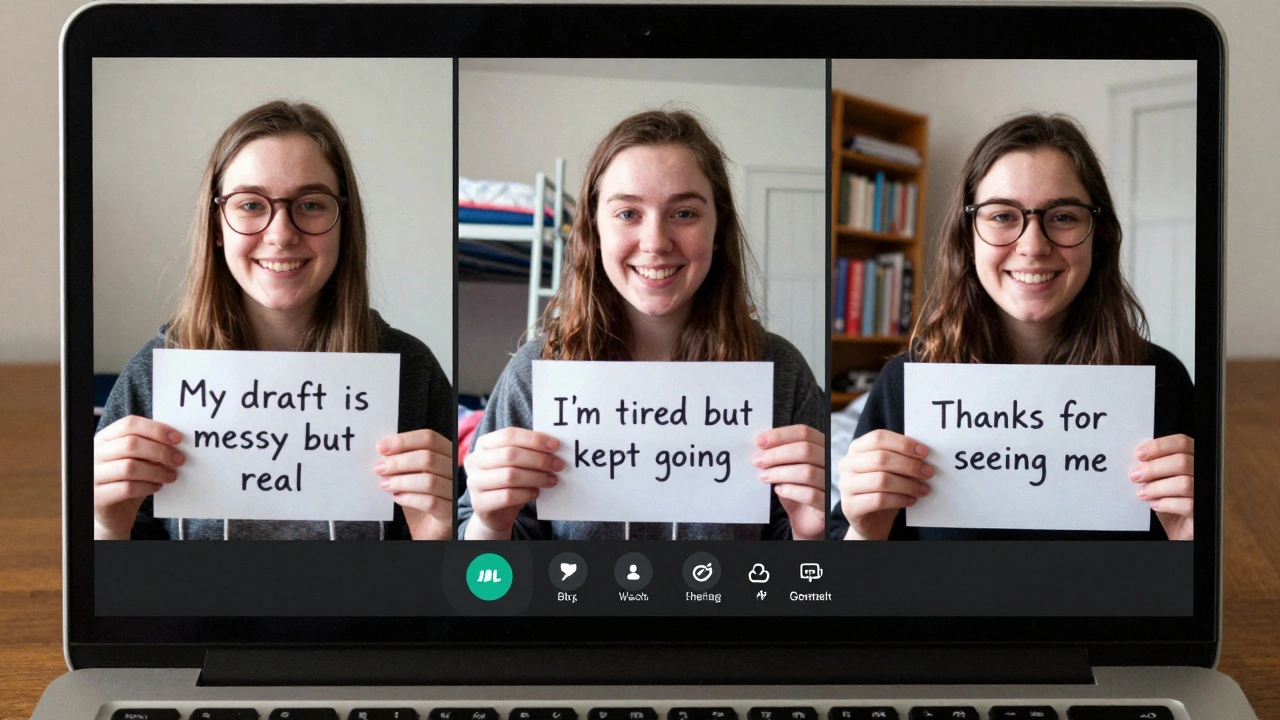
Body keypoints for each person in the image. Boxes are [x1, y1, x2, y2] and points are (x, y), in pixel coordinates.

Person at [457, 109, 827, 540]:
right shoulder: (538, 370)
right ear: (594, 228)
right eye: (628, 213)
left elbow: (802, 582)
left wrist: (812, 534)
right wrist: (487, 523)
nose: (655, 242)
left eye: (684, 213)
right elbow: (484, 569)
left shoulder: (780, 371)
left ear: (718, 227)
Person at [93, 100, 454, 541]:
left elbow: (443, 598)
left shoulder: (412, 372)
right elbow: (120, 595)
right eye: (249, 204)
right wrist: (104, 525)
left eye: (310, 204)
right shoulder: (155, 374)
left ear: (344, 220)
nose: (281, 234)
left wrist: (438, 538)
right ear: (218, 225)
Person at [831, 113, 1195, 542]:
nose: (1033, 246)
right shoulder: (907, 385)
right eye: (1002, 216)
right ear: (967, 237)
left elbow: (1176, 590)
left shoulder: (1161, 382)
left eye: (1063, 216)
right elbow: (846, 591)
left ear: (1099, 236)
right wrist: (864, 531)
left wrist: (1191, 542)